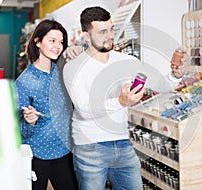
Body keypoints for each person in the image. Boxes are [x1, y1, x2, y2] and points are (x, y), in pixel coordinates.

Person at [63, 6, 185, 190]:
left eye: (111, 29)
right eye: (102, 31)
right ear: (86, 36)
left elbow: (161, 85)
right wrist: (120, 102)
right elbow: (84, 108)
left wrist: (176, 75)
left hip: (123, 143)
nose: (110, 35)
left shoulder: (126, 61)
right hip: (90, 147)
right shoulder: (73, 67)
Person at [14, 19, 78, 190]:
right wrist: (30, 122)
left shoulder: (63, 73)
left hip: (64, 151)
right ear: (38, 41)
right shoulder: (24, 82)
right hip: (37, 155)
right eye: (52, 41)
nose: (58, 46)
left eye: (61, 42)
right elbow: (18, 130)